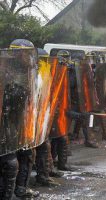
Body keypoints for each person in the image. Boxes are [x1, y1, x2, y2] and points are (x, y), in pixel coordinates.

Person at [9, 39, 39, 198]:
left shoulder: (29, 70)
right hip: (10, 121)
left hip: (25, 119)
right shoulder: (7, 69)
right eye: (27, 53)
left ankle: (21, 188)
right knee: (10, 159)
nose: (29, 57)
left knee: (27, 154)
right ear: (19, 52)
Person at [35, 48, 59, 187]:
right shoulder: (30, 74)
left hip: (41, 116)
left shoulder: (44, 73)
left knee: (45, 146)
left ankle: (45, 174)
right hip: (30, 119)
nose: (45, 63)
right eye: (43, 60)